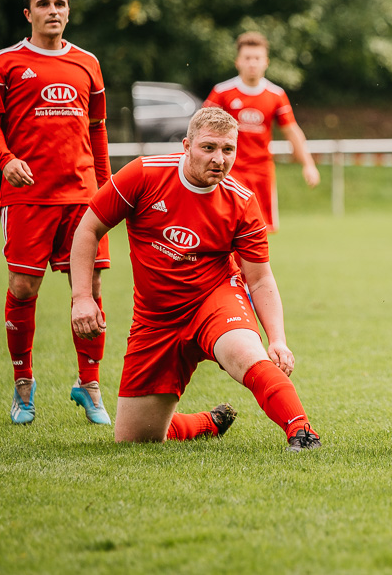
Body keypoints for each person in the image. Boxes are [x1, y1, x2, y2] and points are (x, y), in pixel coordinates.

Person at [67, 107, 321, 448]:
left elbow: (260, 279)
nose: (219, 159)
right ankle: (208, 423)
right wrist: (82, 297)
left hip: (214, 298)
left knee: (244, 353)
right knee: (135, 438)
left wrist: (277, 339)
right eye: (208, 147)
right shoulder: (144, 174)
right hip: (155, 318)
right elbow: (88, 228)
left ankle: (301, 431)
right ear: (187, 146)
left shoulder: (242, 201)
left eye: (228, 149)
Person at [0, 0, 113, 426]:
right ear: (28, 13)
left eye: (60, 4)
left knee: (91, 289)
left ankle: (89, 385)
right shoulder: (5, 62)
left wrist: (107, 190)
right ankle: (23, 385)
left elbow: (97, 130)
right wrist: (6, 159)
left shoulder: (88, 63)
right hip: (28, 198)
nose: (53, 11)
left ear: (68, 11)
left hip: (82, 198)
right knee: (23, 288)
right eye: (43, 4)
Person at [205, 32, 319, 233]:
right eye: (247, 58)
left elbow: (291, 131)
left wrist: (308, 164)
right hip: (229, 171)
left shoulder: (276, 95)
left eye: (257, 58)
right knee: (224, 229)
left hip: (261, 173)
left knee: (260, 231)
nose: (252, 63)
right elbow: (202, 128)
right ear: (238, 62)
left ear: (266, 62)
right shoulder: (222, 92)